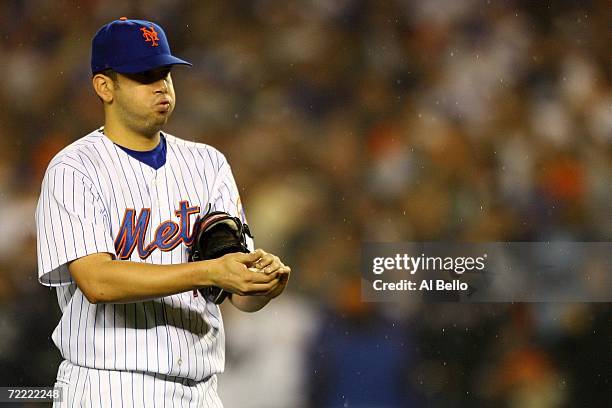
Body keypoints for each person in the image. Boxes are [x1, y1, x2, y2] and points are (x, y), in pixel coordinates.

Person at [35, 17, 290, 407]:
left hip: (201, 390)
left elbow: (233, 291)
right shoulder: (74, 169)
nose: (161, 86)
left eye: (165, 73)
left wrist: (259, 286)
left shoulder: (208, 163)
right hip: (109, 387)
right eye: (143, 75)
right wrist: (209, 271)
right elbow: (97, 281)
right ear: (105, 86)